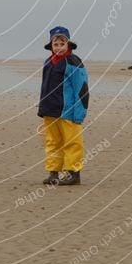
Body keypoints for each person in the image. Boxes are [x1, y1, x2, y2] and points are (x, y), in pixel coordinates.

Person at [37, 26, 89, 185]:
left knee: (72, 142)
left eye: (62, 44)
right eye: (56, 44)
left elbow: (82, 88)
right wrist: (42, 108)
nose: (59, 47)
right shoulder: (48, 62)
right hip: (50, 110)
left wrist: (79, 114)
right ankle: (53, 172)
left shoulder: (73, 62)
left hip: (68, 112)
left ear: (68, 44)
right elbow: (45, 87)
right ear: (51, 46)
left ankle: (73, 174)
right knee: (53, 142)